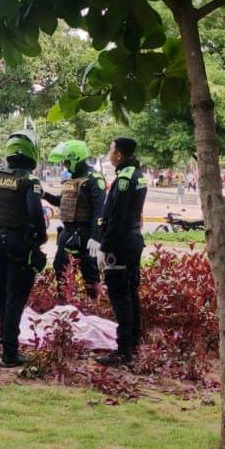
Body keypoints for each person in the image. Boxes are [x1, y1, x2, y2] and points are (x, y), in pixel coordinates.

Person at [0, 130, 48, 368]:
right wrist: (40, 240)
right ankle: (10, 353)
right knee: (16, 297)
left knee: (2, 296)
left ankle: (7, 345)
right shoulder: (29, 181)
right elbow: (34, 213)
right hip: (18, 244)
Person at [90, 137, 147, 367]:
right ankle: (132, 343)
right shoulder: (137, 173)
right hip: (132, 240)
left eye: (110, 149)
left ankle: (124, 351)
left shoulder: (124, 179)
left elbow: (117, 218)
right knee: (130, 293)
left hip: (121, 244)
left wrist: (105, 247)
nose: (108, 153)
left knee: (120, 296)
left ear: (120, 155)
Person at [42, 140, 105, 298]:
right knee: (60, 268)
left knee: (89, 272)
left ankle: (94, 305)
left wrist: (96, 237)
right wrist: (44, 195)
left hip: (85, 233)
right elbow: (60, 201)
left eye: (67, 162)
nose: (65, 165)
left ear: (76, 158)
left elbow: (99, 211)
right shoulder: (70, 180)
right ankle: (64, 305)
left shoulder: (93, 179)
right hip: (68, 232)